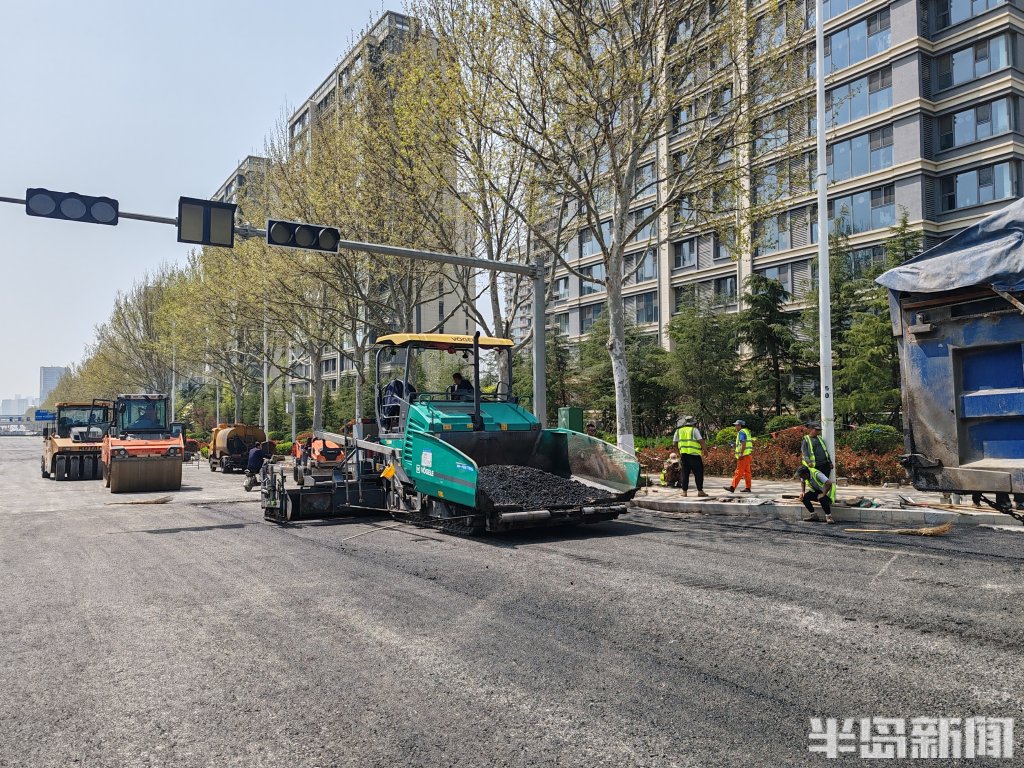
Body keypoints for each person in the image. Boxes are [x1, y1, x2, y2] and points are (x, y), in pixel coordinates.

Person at [672, 416, 708, 497]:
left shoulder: (678, 431)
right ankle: (700, 491)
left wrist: (678, 453)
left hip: (684, 456)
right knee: (698, 474)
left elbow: (674, 443)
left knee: (685, 474)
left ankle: (684, 492)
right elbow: (701, 441)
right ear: (693, 423)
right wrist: (705, 450)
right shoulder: (694, 430)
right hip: (695, 456)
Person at [724, 419, 753, 493]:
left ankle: (732, 487)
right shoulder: (746, 431)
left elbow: (743, 443)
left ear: (740, 426)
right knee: (747, 472)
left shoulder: (741, 432)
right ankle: (748, 488)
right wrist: (734, 444)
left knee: (738, 472)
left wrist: (741, 453)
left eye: (736, 425)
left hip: (743, 456)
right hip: (748, 455)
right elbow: (743, 443)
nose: (735, 427)